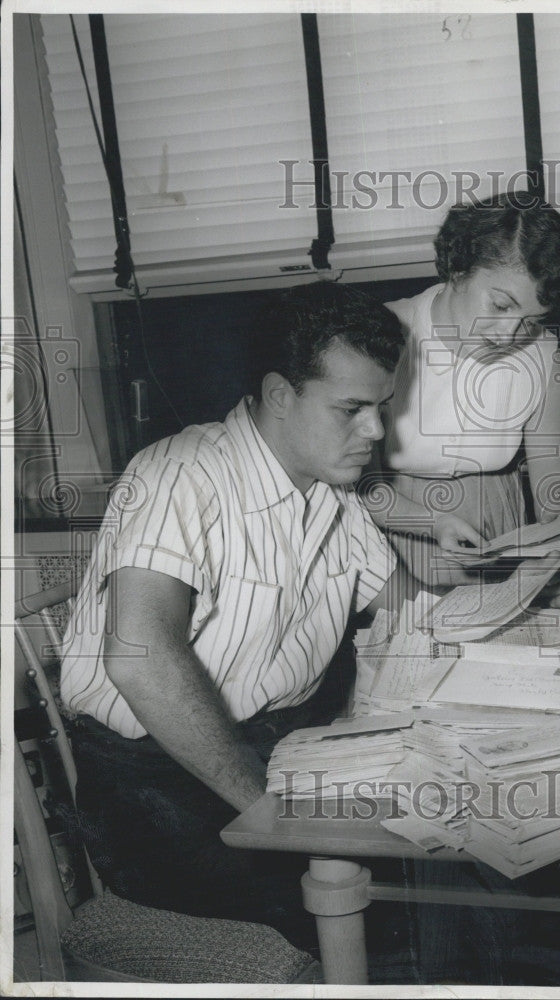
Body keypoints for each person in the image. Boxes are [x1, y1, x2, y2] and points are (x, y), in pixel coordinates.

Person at [58, 281, 407, 948]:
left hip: (282, 747)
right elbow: (144, 659)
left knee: (432, 865)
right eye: (353, 409)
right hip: (157, 783)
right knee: (364, 915)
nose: (377, 431)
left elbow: (410, 611)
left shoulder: (332, 495)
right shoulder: (178, 473)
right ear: (280, 396)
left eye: (382, 407)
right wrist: (271, 813)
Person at [361, 191, 560, 590]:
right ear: (458, 269)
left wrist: (556, 535)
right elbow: (361, 487)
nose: (510, 335)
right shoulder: (379, 334)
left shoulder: (545, 355)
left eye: (531, 319)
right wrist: (434, 524)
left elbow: (552, 474)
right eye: (501, 305)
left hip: (500, 520)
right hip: (396, 523)